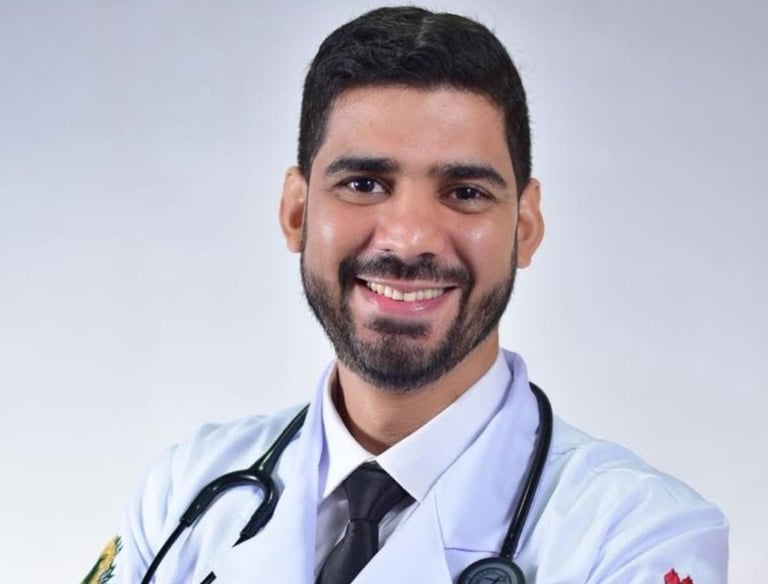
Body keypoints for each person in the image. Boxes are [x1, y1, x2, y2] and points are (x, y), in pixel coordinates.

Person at [82, 6, 728, 584]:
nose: (411, 238)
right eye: (364, 183)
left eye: (465, 192)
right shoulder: (186, 493)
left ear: (525, 228)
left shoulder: (638, 537)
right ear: (296, 213)